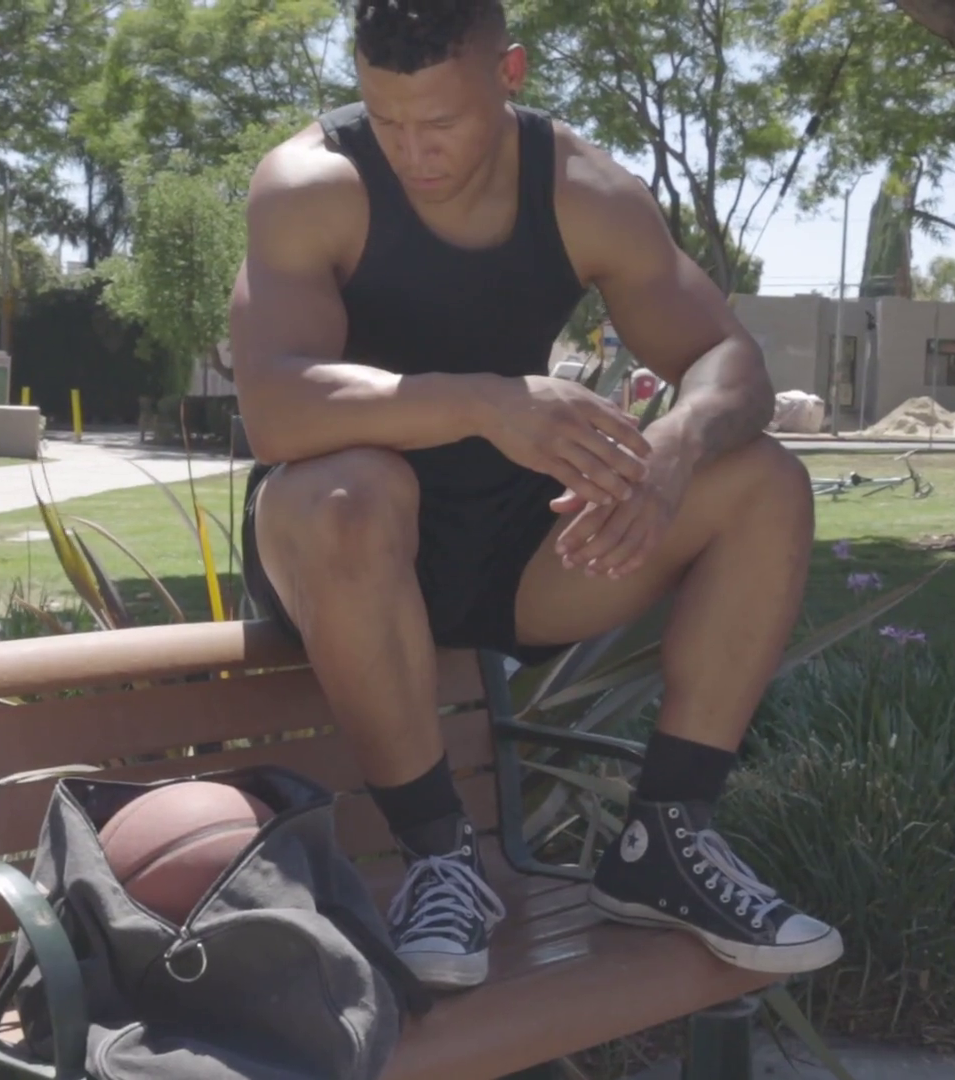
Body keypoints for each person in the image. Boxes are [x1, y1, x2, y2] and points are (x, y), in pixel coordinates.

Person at [228, 0, 842, 992]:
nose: (414, 152)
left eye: (441, 121)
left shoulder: (585, 190)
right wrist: (487, 401)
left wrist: (676, 445)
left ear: (508, 72)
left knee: (764, 481)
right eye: (387, 120)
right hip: (336, 543)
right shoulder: (311, 185)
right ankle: (442, 860)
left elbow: (729, 358)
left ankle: (665, 840)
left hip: (517, 548)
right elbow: (277, 410)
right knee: (355, 489)